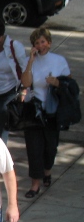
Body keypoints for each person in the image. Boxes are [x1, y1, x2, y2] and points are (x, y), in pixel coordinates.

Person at [20, 27, 71, 198]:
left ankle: (47, 171)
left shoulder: (59, 61)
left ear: (49, 43)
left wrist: (56, 83)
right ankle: (35, 184)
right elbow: (25, 83)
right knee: (34, 149)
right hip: (34, 111)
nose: (40, 45)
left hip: (52, 112)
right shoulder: (30, 61)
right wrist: (30, 62)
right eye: (37, 43)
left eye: (43, 42)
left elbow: (69, 85)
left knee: (50, 147)